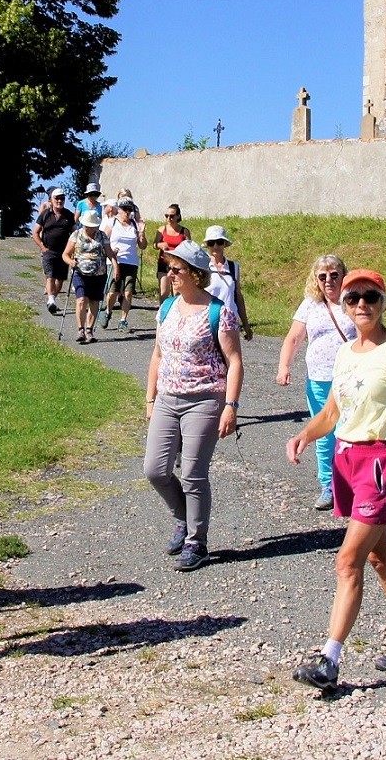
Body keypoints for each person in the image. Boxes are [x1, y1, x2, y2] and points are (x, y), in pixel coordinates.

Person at [287, 269, 386, 692]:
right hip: (347, 460)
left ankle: (329, 660)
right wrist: (303, 435)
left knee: (347, 560)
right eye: (353, 298)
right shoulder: (346, 353)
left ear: (383, 301)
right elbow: (334, 414)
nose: (361, 305)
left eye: (370, 297)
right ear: (344, 305)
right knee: (377, 556)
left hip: (380, 461)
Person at [144, 241, 244, 571]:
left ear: (196, 275)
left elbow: (234, 361)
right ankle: (183, 519)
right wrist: (150, 398)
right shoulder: (167, 308)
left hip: (204, 399)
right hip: (167, 399)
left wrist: (230, 405)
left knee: (192, 474)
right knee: (155, 470)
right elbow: (157, 356)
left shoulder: (219, 312)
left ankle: (197, 541)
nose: (170, 274)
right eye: (169, 268)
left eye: (177, 269)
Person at [276, 254, 357, 511]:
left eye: (334, 274)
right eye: (322, 276)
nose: (328, 280)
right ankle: (328, 486)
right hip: (319, 379)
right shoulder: (310, 305)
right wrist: (284, 366)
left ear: (344, 275)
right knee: (324, 435)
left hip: (350, 379)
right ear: (316, 280)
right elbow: (294, 337)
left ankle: (353, 485)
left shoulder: (354, 301)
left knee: (349, 433)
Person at [63, 211, 111, 344]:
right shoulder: (76, 235)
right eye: (87, 226)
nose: (89, 228)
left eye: (91, 226)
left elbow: (109, 253)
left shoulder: (102, 236)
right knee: (81, 299)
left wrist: (115, 265)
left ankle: (89, 330)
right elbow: (65, 254)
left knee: (94, 302)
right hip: (80, 272)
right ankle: (81, 329)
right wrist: (71, 262)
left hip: (99, 273)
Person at [202, 226, 254, 342]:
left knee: (232, 359)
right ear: (207, 245)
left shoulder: (233, 267)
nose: (215, 246)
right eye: (211, 243)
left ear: (225, 244)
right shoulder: (202, 267)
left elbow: (238, 296)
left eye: (219, 242)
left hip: (230, 322)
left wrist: (246, 325)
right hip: (208, 322)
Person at [101, 198, 146, 331]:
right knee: (113, 292)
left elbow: (143, 245)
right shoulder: (112, 222)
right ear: (119, 210)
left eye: (130, 210)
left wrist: (142, 232)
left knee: (128, 292)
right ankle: (108, 312)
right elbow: (104, 241)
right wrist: (110, 252)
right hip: (115, 261)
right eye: (125, 209)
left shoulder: (135, 225)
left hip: (131, 262)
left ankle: (123, 320)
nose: (127, 212)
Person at [31, 189, 76, 315]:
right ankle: (51, 300)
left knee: (60, 279)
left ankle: (52, 301)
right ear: (51, 199)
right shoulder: (45, 214)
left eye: (62, 198)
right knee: (50, 275)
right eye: (57, 198)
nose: (59, 201)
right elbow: (35, 232)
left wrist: (73, 249)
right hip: (49, 251)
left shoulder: (69, 215)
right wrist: (42, 247)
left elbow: (75, 233)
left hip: (64, 252)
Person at [152, 204, 192, 301]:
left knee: (177, 292)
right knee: (164, 292)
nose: (169, 218)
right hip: (164, 262)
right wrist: (160, 245)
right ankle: (162, 313)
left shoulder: (184, 231)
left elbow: (190, 248)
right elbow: (154, 244)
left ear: (178, 216)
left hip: (178, 264)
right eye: (166, 216)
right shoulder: (162, 229)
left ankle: (176, 313)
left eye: (172, 216)